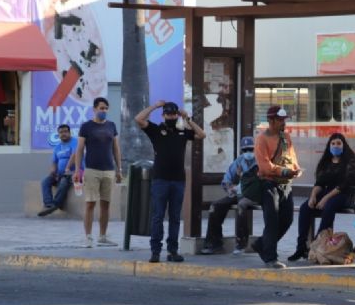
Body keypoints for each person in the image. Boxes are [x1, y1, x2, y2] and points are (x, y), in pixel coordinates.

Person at [136, 100, 206, 263]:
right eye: (168, 113)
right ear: (163, 115)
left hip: (178, 181)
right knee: (158, 216)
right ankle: (155, 251)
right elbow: (138, 119)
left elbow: (201, 135)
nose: (171, 116)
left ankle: (173, 251)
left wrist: (187, 119)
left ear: (177, 114)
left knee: (175, 217)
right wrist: (155, 106)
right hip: (160, 180)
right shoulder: (156, 130)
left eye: (174, 113)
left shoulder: (182, 131)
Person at [288, 133, 355, 262]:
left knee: (329, 206)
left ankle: (318, 244)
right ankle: (301, 247)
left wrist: (325, 198)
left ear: (344, 145)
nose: (336, 146)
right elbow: (320, 183)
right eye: (333, 144)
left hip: (347, 194)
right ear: (329, 146)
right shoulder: (326, 161)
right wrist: (313, 196)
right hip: (329, 192)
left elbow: (344, 185)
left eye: (339, 143)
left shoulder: (352, 161)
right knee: (305, 208)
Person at [251, 106, 301, 269]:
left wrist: (295, 168)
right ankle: (270, 257)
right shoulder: (262, 139)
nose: (283, 123)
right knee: (272, 221)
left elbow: (291, 157)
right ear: (271, 121)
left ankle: (261, 244)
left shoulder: (286, 136)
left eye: (284, 120)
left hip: (286, 184)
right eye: (280, 120)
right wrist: (283, 170)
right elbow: (264, 166)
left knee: (287, 219)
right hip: (269, 184)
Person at [73, 97, 122, 248]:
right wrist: (77, 170)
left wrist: (119, 169)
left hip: (108, 170)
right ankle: (88, 237)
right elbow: (80, 149)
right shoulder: (86, 127)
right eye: (101, 108)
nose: (104, 111)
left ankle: (102, 236)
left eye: (106, 108)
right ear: (94, 109)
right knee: (90, 204)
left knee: (106, 204)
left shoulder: (111, 126)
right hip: (91, 170)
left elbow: (116, 148)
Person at [200, 136, 257, 256]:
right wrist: (229, 187)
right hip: (238, 192)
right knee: (215, 206)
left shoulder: (260, 161)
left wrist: (243, 177)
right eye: (245, 150)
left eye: (251, 149)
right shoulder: (239, 161)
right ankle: (214, 244)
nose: (248, 153)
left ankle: (241, 244)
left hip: (253, 193)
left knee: (242, 205)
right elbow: (227, 179)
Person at [37, 124, 79, 217]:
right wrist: (53, 172)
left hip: (73, 174)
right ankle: (49, 205)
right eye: (61, 132)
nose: (63, 134)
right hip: (60, 174)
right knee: (46, 181)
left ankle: (56, 204)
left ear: (69, 132)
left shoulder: (75, 142)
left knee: (64, 181)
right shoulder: (57, 147)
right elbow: (54, 162)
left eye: (65, 131)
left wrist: (67, 168)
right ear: (58, 134)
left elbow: (74, 155)